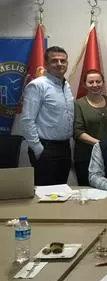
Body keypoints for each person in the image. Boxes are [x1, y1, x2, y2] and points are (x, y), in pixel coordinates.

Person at [20, 46, 74, 186]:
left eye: (63, 61)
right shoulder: (37, 86)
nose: (59, 64)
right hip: (46, 148)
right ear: (46, 64)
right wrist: (38, 149)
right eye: (54, 60)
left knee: (61, 191)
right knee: (45, 193)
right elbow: (27, 120)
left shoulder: (66, 86)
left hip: (65, 147)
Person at [74, 69, 107, 186]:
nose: (95, 85)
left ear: (103, 83)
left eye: (98, 81)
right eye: (91, 82)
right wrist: (100, 144)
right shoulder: (78, 104)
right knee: (88, 192)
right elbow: (77, 131)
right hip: (86, 157)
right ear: (84, 84)